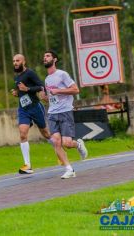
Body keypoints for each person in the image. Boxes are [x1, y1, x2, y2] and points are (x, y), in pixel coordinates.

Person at [41, 50, 88, 179]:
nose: (45, 58)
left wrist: (58, 90)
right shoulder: (47, 79)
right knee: (56, 142)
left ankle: (78, 144)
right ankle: (69, 169)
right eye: (44, 56)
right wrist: (44, 97)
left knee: (67, 143)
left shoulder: (62, 74)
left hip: (65, 112)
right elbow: (51, 98)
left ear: (54, 59)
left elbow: (75, 90)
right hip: (52, 113)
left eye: (48, 56)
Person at [11, 54, 52, 174]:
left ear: (24, 61)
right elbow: (22, 92)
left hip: (35, 107)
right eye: (13, 61)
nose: (15, 63)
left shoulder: (30, 73)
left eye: (17, 60)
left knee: (45, 133)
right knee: (23, 134)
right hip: (23, 109)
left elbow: (40, 86)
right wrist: (17, 93)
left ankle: (59, 149)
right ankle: (27, 165)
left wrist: (27, 89)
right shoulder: (17, 77)